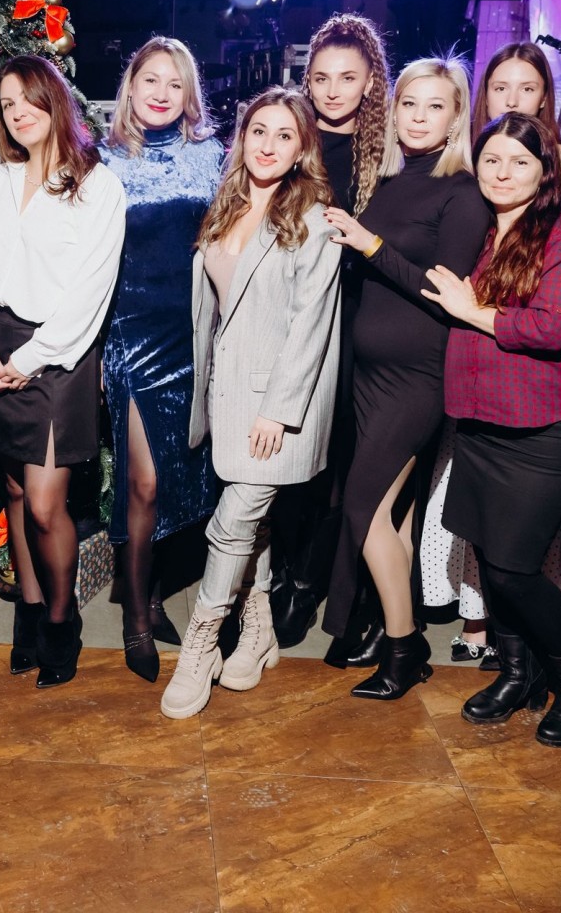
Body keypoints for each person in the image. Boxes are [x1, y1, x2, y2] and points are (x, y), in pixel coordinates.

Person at [425, 114, 561, 748]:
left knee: (512, 568)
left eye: (520, 162)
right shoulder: (478, 233)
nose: (503, 173)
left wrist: (472, 309)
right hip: (480, 421)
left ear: (544, 172)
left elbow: (550, 329)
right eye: (493, 160)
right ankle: (516, 673)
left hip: (546, 426)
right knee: (485, 553)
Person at [160, 88, 342, 720]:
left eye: (284, 135)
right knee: (253, 521)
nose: (267, 145)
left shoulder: (314, 218)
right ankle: (259, 627)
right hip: (228, 393)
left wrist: (278, 410)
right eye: (258, 131)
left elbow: (311, 324)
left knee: (232, 523)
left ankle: (202, 643)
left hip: (276, 404)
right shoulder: (227, 205)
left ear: (302, 149)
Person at [320, 57, 490, 699]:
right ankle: (399, 626)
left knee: (362, 507)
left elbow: (445, 294)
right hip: (369, 370)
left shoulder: (463, 193)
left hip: (418, 375)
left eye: (434, 106)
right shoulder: (390, 181)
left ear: (456, 117)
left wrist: (368, 245)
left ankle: (403, 646)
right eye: (409, 104)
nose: (418, 118)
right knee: (394, 511)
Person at [0, 55, 125, 688]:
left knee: (42, 503)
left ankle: (62, 622)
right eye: (6, 104)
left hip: (57, 355)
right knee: (11, 491)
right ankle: (29, 613)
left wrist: (25, 360)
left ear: (54, 99)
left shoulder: (96, 186)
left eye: (27, 98)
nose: (18, 112)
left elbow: (89, 296)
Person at [98, 37, 225, 682]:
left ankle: (147, 590)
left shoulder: (213, 157)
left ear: (189, 95)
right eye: (151, 79)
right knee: (143, 481)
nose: (161, 93)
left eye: (175, 84)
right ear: (131, 85)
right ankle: (136, 617)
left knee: (181, 475)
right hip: (130, 335)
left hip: (192, 335)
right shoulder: (103, 162)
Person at [270, 13, 393, 651]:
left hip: (364, 321)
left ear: (371, 81)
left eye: (348, 77)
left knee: (339, 459)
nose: (333, 90)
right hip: (295, 319)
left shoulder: (390, 152)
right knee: (292, 449)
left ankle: (308, 580)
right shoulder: (295, 141)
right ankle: (283, 574)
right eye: (321, 78)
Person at [472, 42, 561, 219]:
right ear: (486, 95)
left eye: (527, 89)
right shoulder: (463, 153)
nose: (512, 101)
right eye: (500, 88)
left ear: (543, 98)